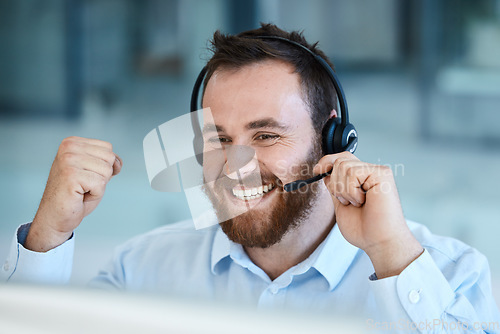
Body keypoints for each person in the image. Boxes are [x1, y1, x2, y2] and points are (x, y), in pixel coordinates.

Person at [2, 24, 499, 330]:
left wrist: (392, 256)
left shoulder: (455, 278)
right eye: (218, 139)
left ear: (332, 142)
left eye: (265, 136)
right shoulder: (142, 268)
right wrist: (49, 236)